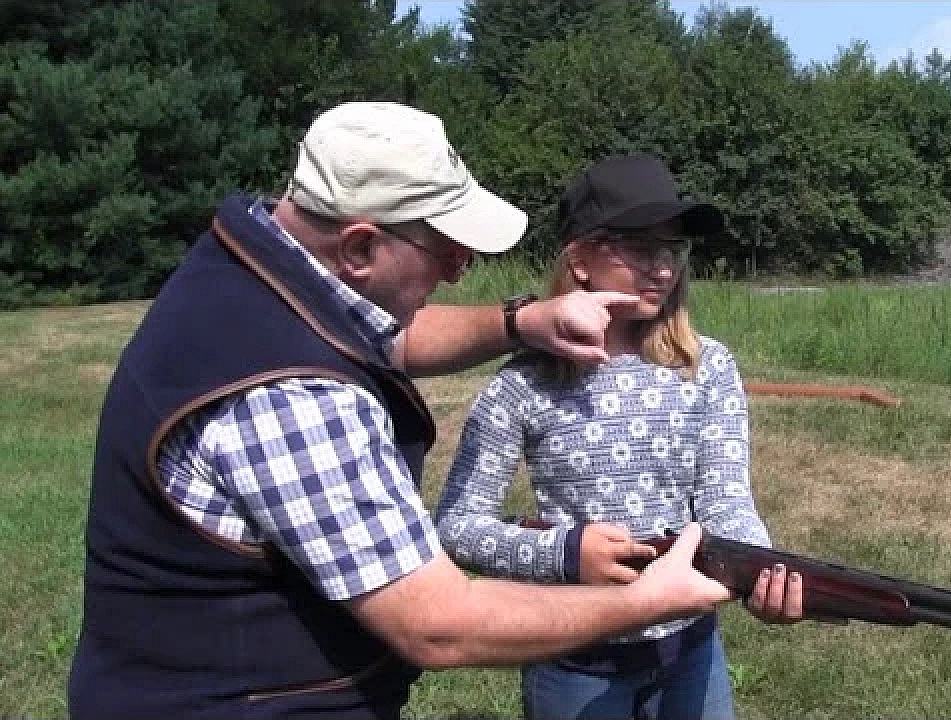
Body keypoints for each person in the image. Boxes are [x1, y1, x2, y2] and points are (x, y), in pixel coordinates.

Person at [66, 102, 773, 720]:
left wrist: (519, 322)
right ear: (361, 246)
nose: (461, 266)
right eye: (444, 247)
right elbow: (438, 624)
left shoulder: (251, 272)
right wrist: (643, 596)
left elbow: (388, 335)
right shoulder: (293, 399)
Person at [434, 153, 804, 720]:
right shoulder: (524, 385)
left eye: (674, 250)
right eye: (639, 248)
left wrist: (760, 570)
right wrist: (564, 554)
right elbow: (458, 527)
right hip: (574, 662)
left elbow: (727, 501)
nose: (662, 268)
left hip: (691, 656)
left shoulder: (707, 369)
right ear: (580, 260)